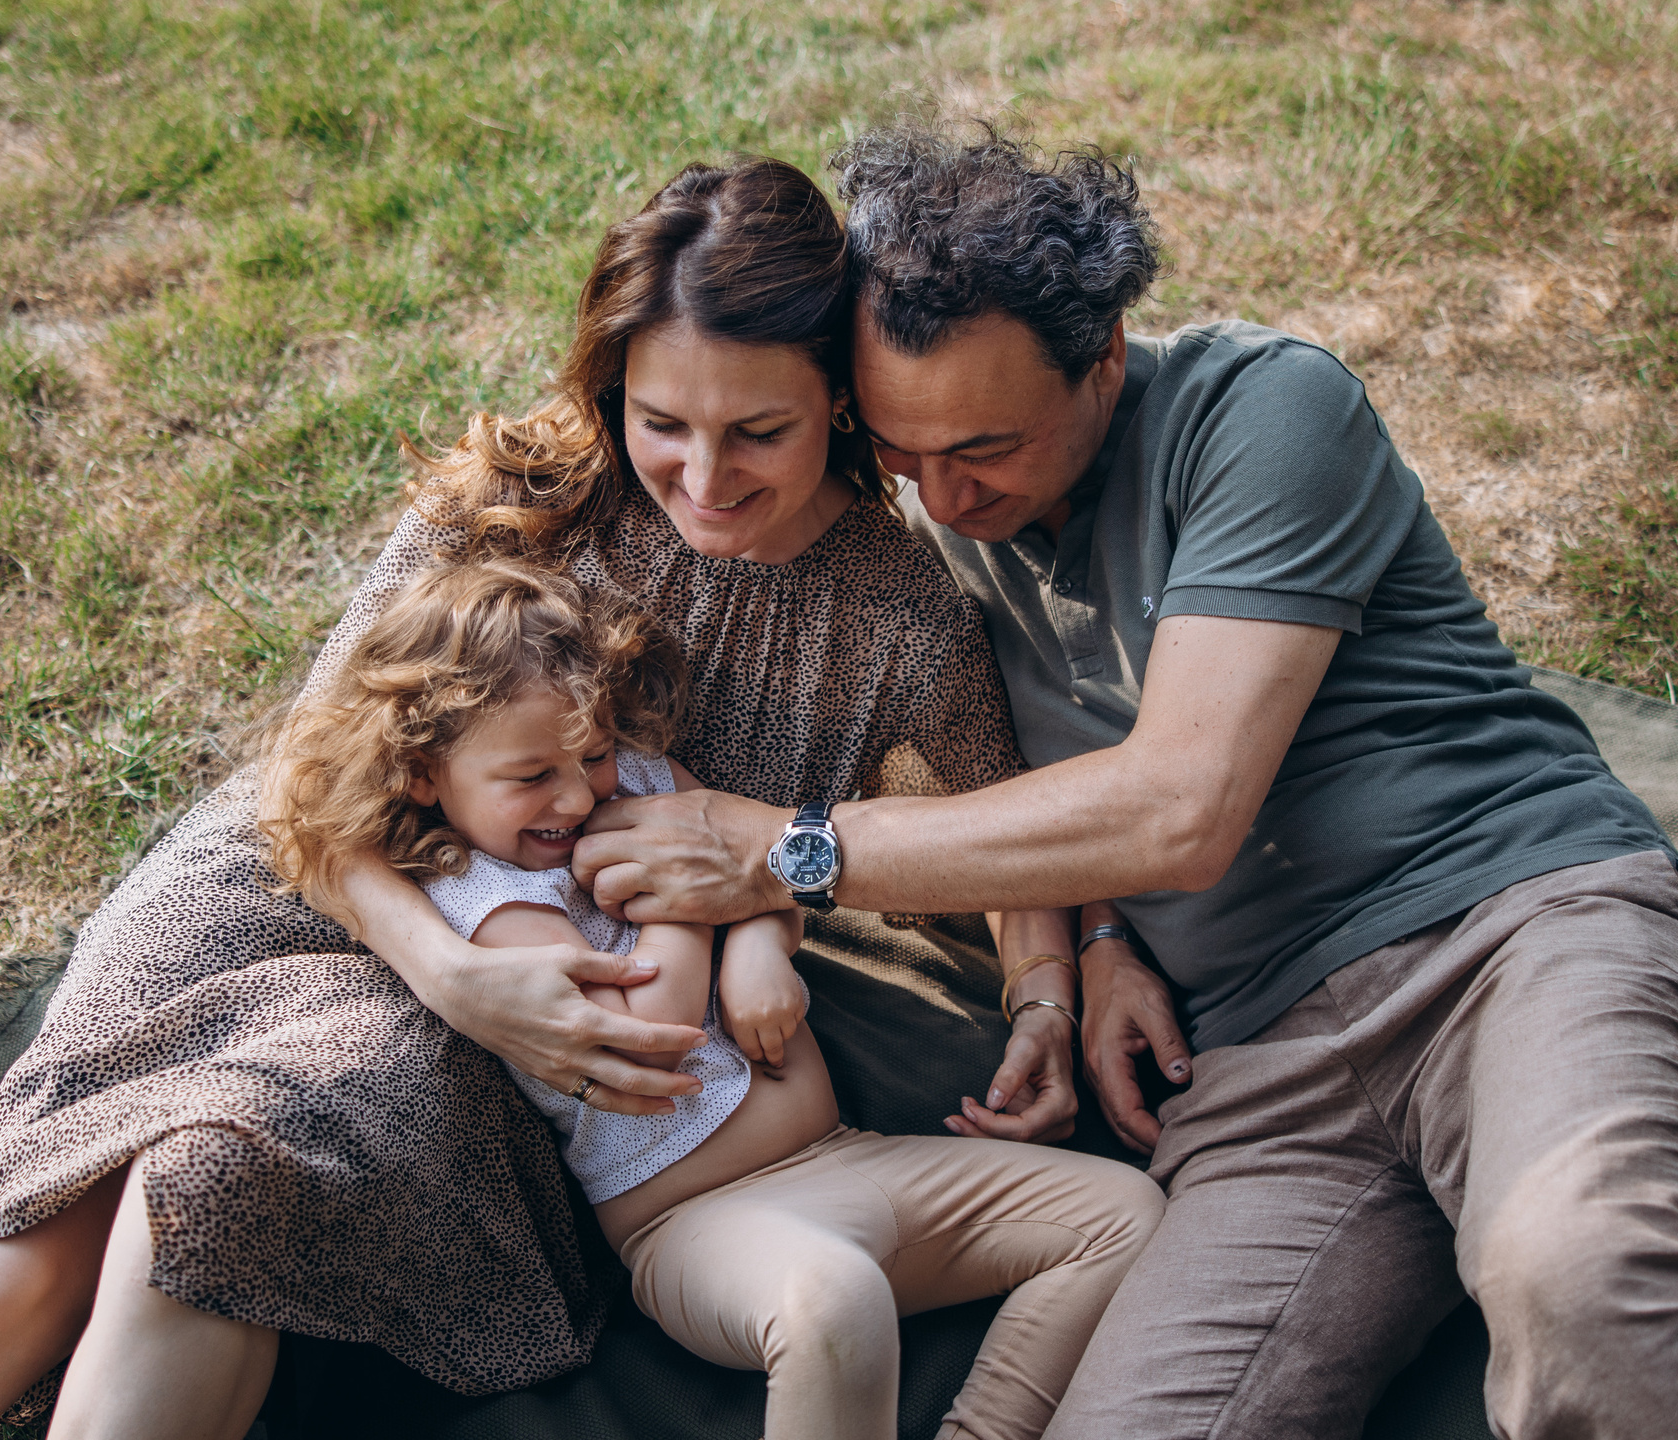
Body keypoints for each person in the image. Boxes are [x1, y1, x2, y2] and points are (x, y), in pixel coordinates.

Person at [0, 157, 1096, 1440]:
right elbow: (309, 772)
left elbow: (1004, 819)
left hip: (521, 981)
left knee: (211, 1185)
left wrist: (1048, 985)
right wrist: (449, 972)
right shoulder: (523, 504)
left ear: (841, 409)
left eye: (759, 432)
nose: (699, 476)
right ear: (612, 383)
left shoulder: (899, 617)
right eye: (661, 423)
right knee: (25, 1260)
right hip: (312, 887)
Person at [575, 122, 1678, 1440]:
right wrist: (1110, 937)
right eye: (902, 456)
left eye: (985, 450)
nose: (944, 500)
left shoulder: (1267, 408)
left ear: (1103, 361)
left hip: (1507, 937)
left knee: (1581, 1281)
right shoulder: (946, 544)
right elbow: (1065, 785)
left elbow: (1180, 806)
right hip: (1258, 1070)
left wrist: (792, 848)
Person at [261, 555, 1159, 1440]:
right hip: (695, 1223)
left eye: (595, 752)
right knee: (833, 1303)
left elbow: (764, 880)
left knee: (1124, 1218)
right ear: (427, 777)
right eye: (533, 776)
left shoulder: (645, 779)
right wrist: (695, 910)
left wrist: (760, 946)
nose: (578, 794)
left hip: (847, 1158)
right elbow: (647, 1032)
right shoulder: (479, 896)